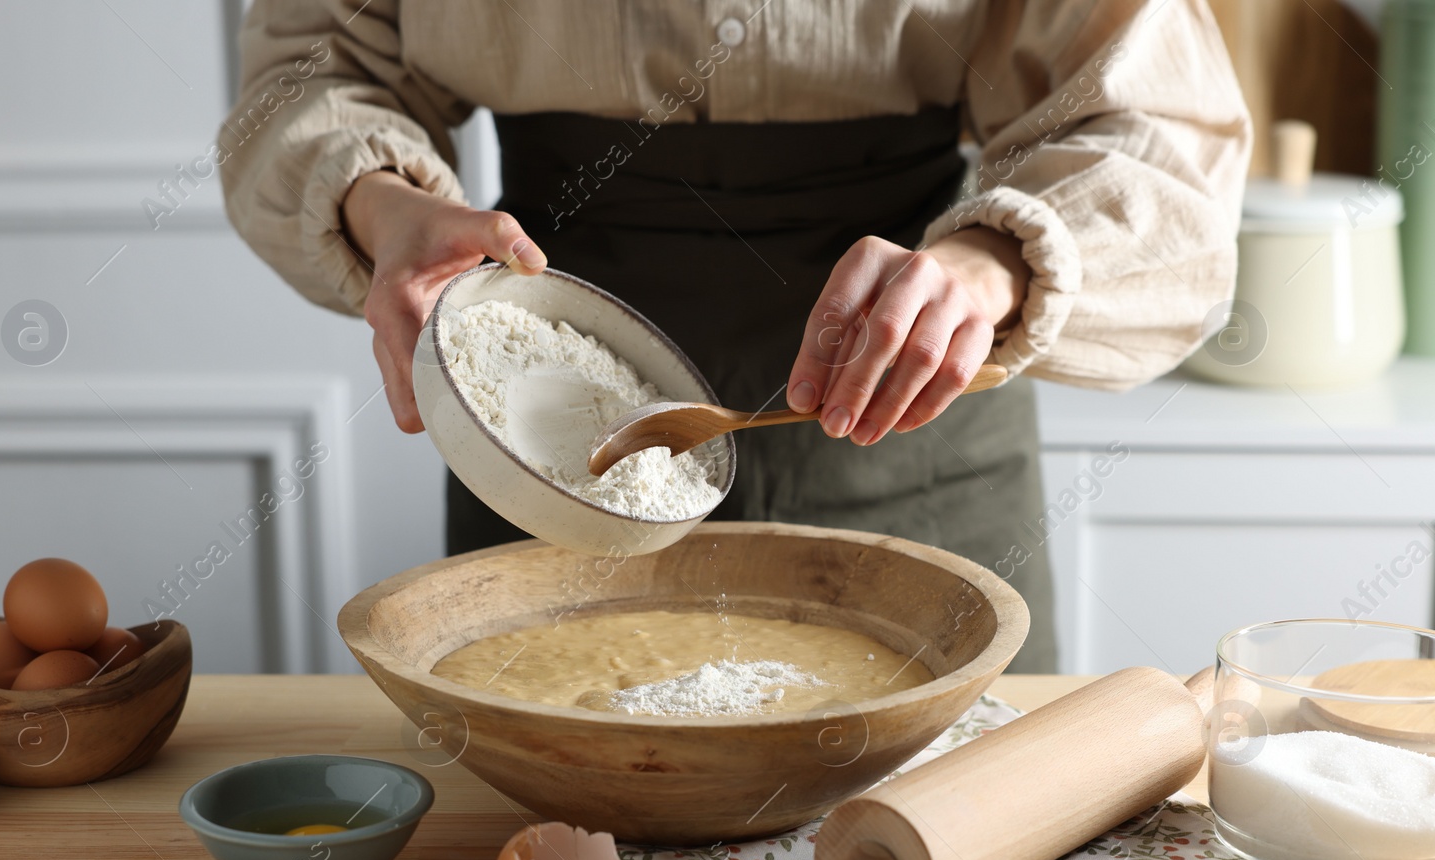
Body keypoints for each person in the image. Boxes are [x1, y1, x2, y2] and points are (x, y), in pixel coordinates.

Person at [220, 1, 1251, 672]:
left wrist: (990, 266)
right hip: (543, 423)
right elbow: (307, 67)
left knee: (943, 848)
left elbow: (1155, 127)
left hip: (918, 404)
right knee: (571, 851)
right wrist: (383, 207)